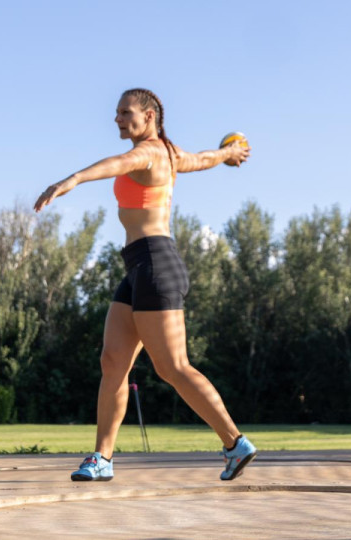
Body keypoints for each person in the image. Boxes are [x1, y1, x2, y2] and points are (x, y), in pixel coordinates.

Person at [33, 88, 255, 482]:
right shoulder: (171, 153)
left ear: (149, 115)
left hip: (156, 264)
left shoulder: (150, 152)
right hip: (137, 266)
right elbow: (203, 159)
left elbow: (120, 162)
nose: (117, 119)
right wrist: (228, 155)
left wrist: (72, 179)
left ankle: (234, 443)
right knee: (113, 361)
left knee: (173, 366)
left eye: (125, 112)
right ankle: (102, 458)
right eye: (116, 113)